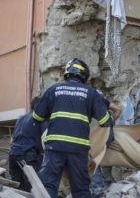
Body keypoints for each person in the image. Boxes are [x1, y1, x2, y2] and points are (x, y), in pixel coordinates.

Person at [33, 58, 112, 198]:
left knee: (48, 186)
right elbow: (105, 121)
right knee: (80, 188)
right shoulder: (91, 93)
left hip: (54, 147)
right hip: (78, 148)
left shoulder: (53, 89)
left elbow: (37, 117)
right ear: (83, 74)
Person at [9, 97, 47, 192]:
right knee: (33, 189)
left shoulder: (21, 118)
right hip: (27, 155)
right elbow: (45, 139)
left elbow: (11, 140)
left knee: (18, 190)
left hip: (12, 155)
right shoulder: (41, 118)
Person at [90, 99, 122, 198]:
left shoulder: (87, 100)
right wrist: (112, 121)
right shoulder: (101, 100)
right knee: (103, 156)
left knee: (94, 158)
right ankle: (108, 181)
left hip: (99, 134)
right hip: (108, 133)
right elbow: (118, 110)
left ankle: (97, 188)